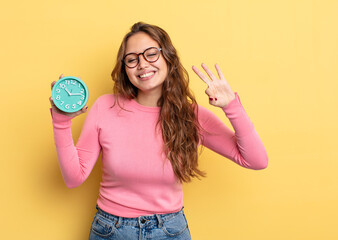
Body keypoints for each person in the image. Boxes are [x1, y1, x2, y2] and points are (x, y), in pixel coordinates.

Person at [49, 22, 268, 240]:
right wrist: (61, 122)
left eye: (151, 54)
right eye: (132, 59)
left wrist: (232, 107)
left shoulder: (192, 115)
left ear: (168, 58)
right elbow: (73, 178)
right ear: (125, 68)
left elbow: (257, 160)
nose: (142, 64)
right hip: (111, 230)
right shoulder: (105, 107)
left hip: (169, 230)